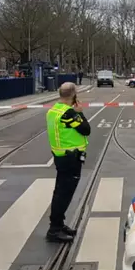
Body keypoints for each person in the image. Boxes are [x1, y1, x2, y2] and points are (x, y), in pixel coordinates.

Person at [46, 82, 91, 243]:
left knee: (60, 191)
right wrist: (80, 112)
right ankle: (54, 229)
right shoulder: (68, 114)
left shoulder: (54, 110)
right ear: (74, 95)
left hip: (61, 156)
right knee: (63, 194)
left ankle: (58, 224)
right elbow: (86, 129)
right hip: (70, 158)